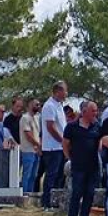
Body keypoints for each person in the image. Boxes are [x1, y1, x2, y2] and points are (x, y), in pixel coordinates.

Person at [65, 100, 101, 216]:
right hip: (78, 167)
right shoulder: (72, 127)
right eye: (93, 111)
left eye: (96, 111)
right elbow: (65, 143)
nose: (95, 113)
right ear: (84, 111)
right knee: (76, 195)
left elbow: (101, 139)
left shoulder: (96, 126)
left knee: (89, 195)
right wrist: (70, 158)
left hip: (92, 167)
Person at [40, 81, 69, 209]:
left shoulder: (59, 106)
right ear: (58, 91)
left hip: (60, 147)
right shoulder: (49, 106)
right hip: (52, 147)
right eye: (65, 91)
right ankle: (46, 202)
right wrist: (62, 140)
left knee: (59, 176)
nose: (66, 93)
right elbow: (50, 127)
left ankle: (56, 201)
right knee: (51, 175)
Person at [19, 98, 42, 194]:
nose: (38, 106)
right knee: (27, 174)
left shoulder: (37, 117)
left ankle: (30, 193)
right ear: (29, 105)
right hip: (28, 150)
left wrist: (39, 146)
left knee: (34, 174)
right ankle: (24, 194)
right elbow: (28, 135)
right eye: (36, 104)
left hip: (36, 150)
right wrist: (38, 144)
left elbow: (39, 133)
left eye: (39, 105)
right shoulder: (25, 118)